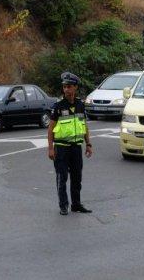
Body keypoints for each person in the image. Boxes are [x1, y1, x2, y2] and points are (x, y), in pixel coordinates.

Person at [48, 72, 93, 215]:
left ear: (75, 88)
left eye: (69, 86)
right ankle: (63, 205)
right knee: (62, 178)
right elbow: (50, 129)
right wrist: (50, 148)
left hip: (76, 148)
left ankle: (76, 204)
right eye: (64, 87)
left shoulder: (80, 104)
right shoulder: (58, 106)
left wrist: (89, 144)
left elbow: (84, 125)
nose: (66, 89)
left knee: (77, 177)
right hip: (61, 148)